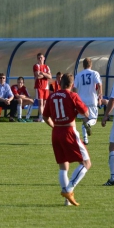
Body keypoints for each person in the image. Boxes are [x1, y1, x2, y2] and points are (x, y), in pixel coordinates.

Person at [43, 73, 91, 206]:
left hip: (56, 132)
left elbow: (45, 116)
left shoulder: (52, 96)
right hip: (69, 131)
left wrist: (54, 126)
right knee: (86, 163)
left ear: (60, 83)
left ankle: (67, 200)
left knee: (63, 166)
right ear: (71, 84)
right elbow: (85, 113)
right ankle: (69, 190)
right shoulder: (72, 95)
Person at [73, 57, 102, 145]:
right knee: (94, 119)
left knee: (84, 120)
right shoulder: (94, 73)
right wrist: (100, 97)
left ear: (83, 65)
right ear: (91, 64)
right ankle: (89, 124)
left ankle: (85, 139)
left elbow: (74, 88)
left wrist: (75, 99)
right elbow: (99, 85)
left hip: (82, 100)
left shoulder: (78, 75)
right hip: (92, 99)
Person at [33, 53, 52, 122]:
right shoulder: (36, 66)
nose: (40, 59)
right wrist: (46, 75)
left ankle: (43, 117)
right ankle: (41, 117)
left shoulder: (47, 67)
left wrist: (43, 73)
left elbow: (50, 77)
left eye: (41, 57)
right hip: (39, 86)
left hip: (46, 87)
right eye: (39, 58)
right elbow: (37, 76)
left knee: (45, 103)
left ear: (44, 58)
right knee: (40, 103)